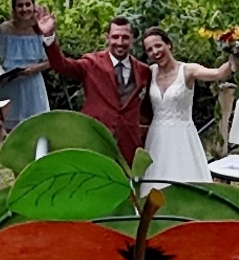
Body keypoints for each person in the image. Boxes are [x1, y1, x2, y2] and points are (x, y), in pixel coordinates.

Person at [40, 11, 154, 164]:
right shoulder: (91, 63)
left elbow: (148, 109)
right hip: (95, 138)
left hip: (128, 145)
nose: (120, 42)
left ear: (132, 39)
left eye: (125, 37)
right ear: (107, 38)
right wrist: (49, 37)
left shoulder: (144, 71)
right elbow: (62, 65)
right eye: (115, 37)